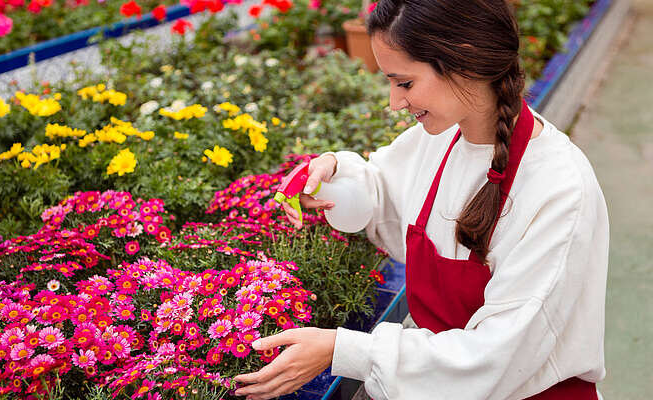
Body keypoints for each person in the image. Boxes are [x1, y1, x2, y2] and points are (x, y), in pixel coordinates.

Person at [233, 0, 609, 399]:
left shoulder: (559, 188)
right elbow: (382, 192)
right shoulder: (444, 136)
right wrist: (331, 178)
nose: (394, 102)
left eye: (405, 83)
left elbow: (495, 359)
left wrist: (343, 351)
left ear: (465, 61)